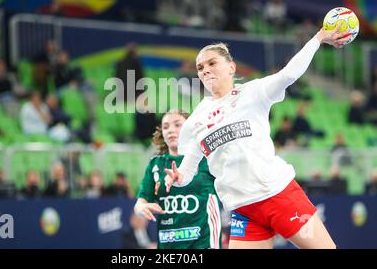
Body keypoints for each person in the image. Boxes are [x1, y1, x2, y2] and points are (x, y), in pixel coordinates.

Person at [164, 25, 349, 249]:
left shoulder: (252, 93)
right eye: (200, 67)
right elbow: (188, 169)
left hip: (279, 196)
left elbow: (289, 74)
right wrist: (178, 178)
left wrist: (318, 38)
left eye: (212, 63)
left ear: (231, 67)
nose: (205, 70)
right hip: (244, 210)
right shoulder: (195, 121)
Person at [134, 109, 222, 249]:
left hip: (203, 242)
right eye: (166, 127)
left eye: (177, 124)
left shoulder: (207, 160)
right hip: (168, 243)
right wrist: (142, 207)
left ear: (190, 129)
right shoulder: (155, 165)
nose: (171, 130)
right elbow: (140, 203)